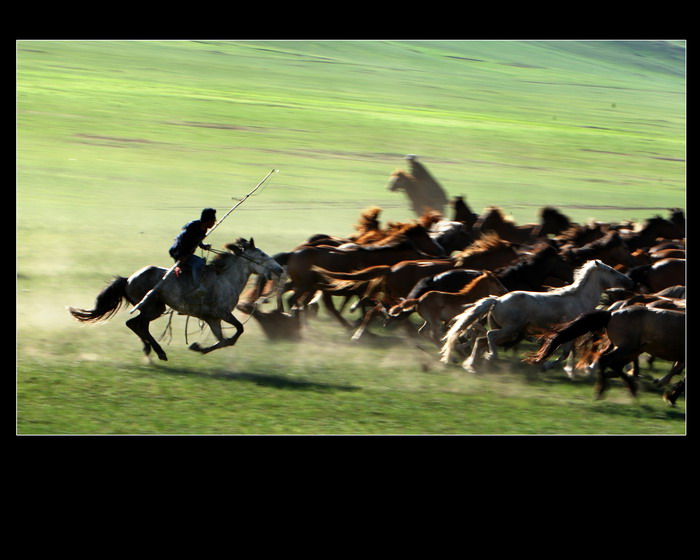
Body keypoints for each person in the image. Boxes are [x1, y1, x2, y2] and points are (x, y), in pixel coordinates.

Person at [169, 208, 217, 296]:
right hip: (179, 253)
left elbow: (197, 240)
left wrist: (203, 246)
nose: (214, 223)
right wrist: (181, 258)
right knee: (199, 263)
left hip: (187, 253)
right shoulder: (191, 227)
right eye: (213, 220)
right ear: (208, 221)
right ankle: (198, 287)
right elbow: (181, 242)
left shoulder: (203, 229)